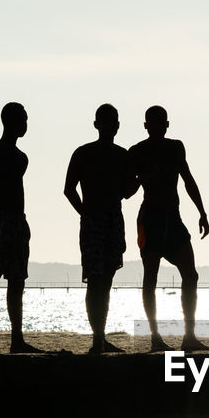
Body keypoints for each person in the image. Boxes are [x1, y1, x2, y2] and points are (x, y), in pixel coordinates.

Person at [128, 105, 209, 352]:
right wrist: (143, 177)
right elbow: (126, 191)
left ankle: (189, 336)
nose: (156, 127)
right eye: (152, 123)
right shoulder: (137, 152)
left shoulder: (175, 147)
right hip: (150, 219)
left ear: (167, 125)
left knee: (191, 275)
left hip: (173, 219)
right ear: (145, 126)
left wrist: (202, 212)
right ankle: (155, 338)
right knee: (150, 277)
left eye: (160, 123)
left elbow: (188, 179)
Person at [64, 104, 139, 354]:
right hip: (96, 220)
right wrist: (85, 212)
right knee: (96, 280)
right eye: (106, 122)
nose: (110, 127)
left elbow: (126, 191)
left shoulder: (121, 156)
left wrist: (137, 181)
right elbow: (69, 189)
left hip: (110, 220)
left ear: (117, 126)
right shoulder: (84, 153)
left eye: (113, 123)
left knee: (104, 280)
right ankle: (98, 337)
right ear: (97, 125)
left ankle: (99, 336)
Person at [0, 102, 40, 354]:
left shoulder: (21, 158)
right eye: (23, 119)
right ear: (10, 122)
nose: (25, 124)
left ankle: (16, 339)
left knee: (17, 282)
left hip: (16, 221)